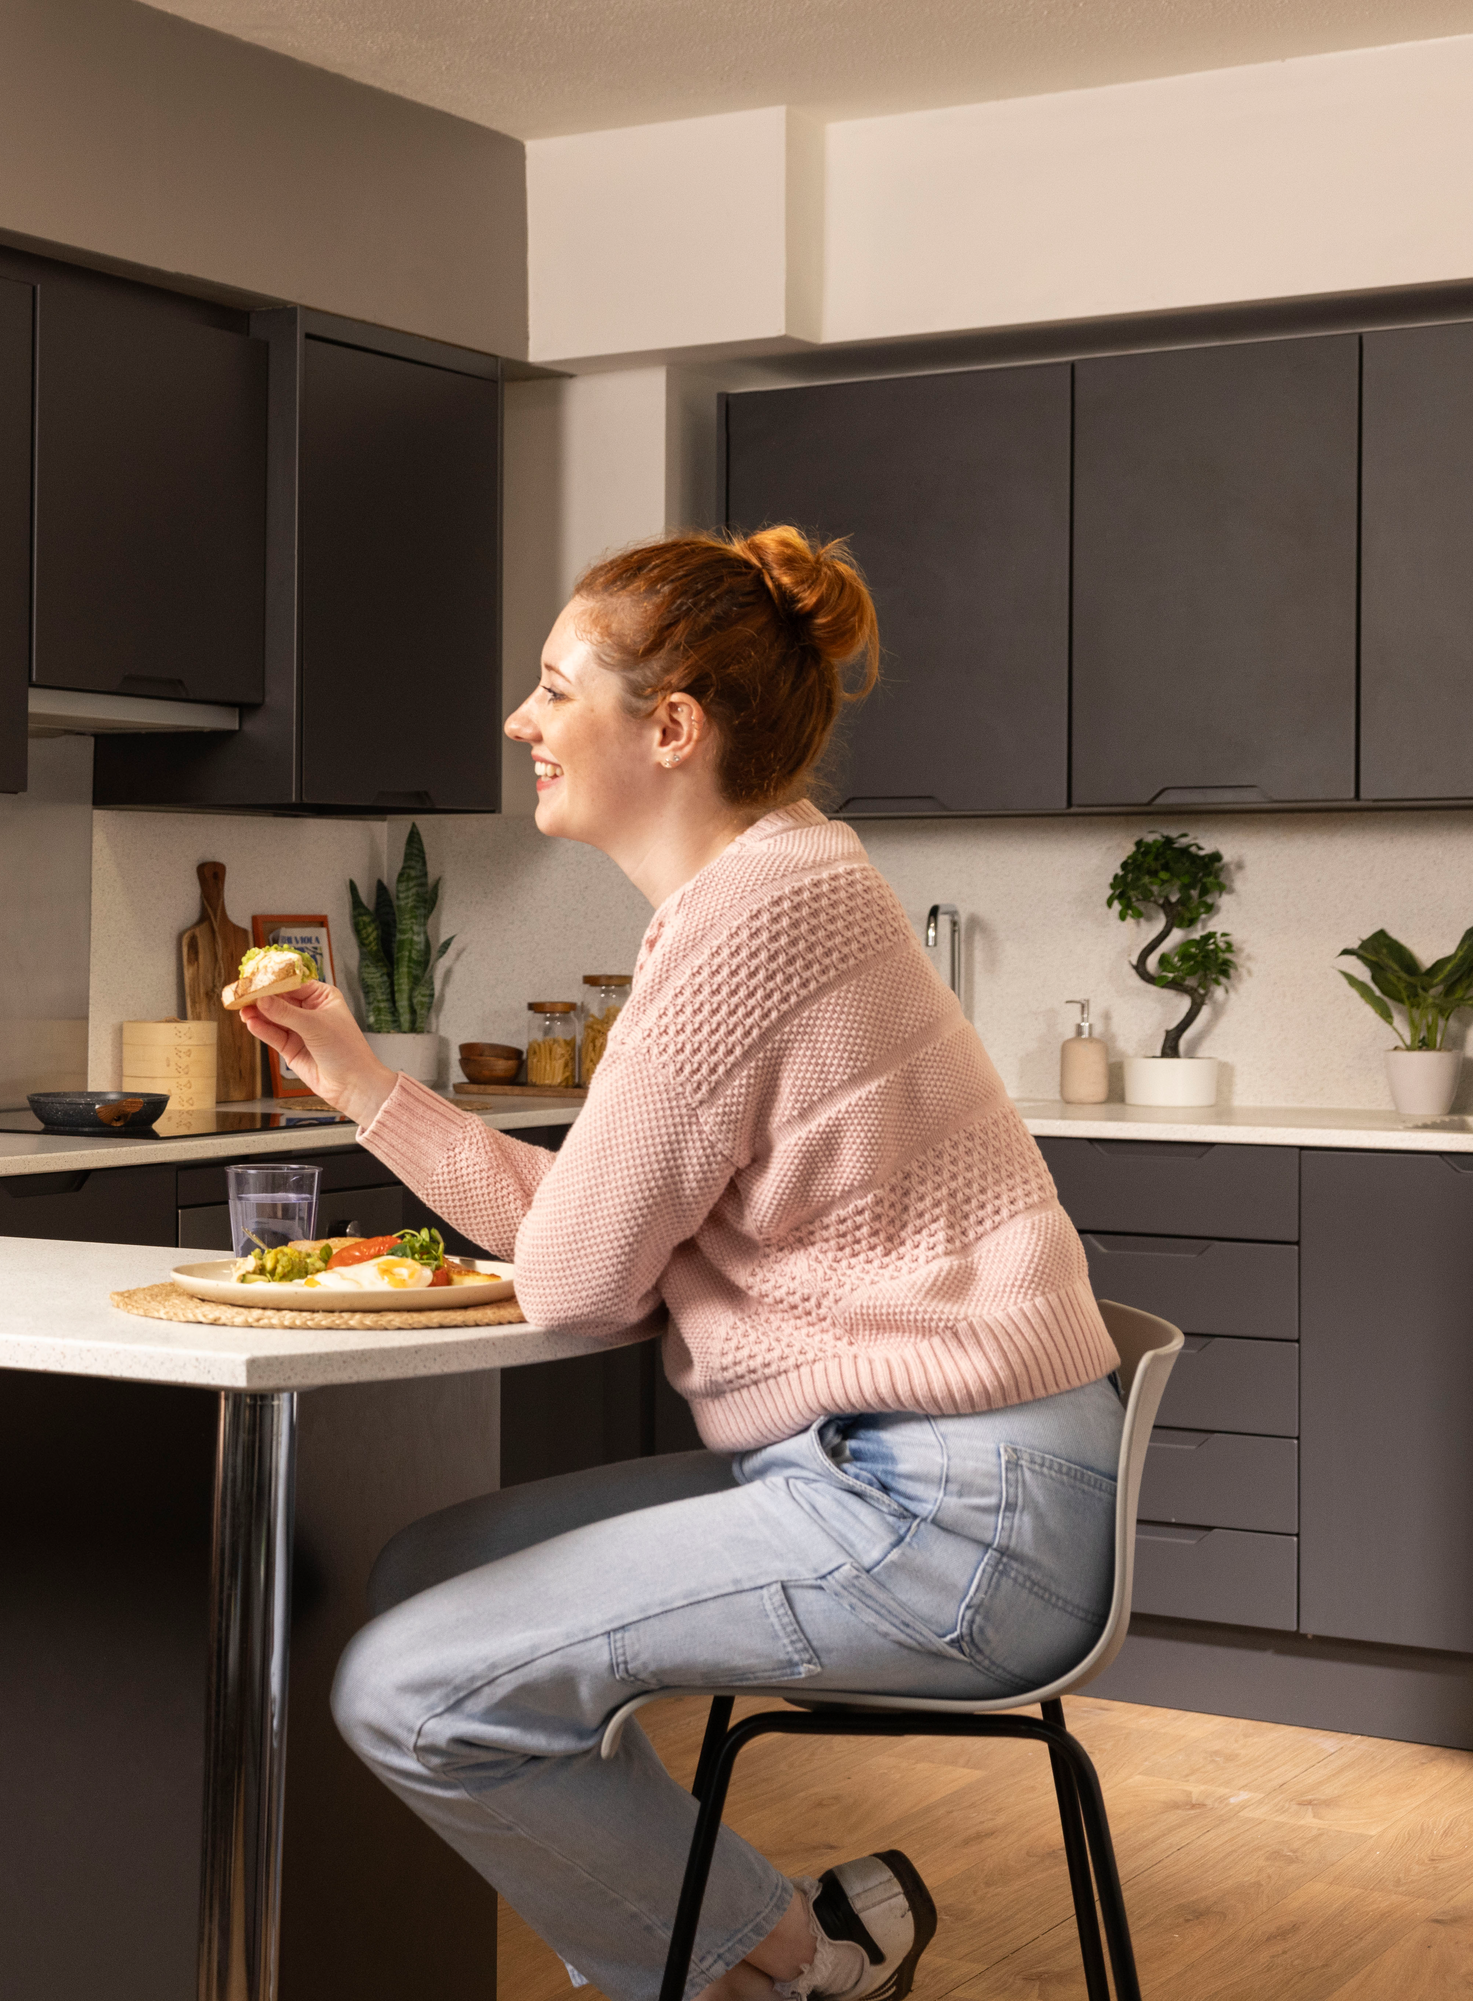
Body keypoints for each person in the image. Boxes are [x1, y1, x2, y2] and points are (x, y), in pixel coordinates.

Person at [243, 529, 1125, 2001]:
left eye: (550, 687)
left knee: (407, 1683)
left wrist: (424, 1132)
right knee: (422, 1580)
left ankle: (788, 1961)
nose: (520, 723)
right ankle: (767, 1944)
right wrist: (358, 1084)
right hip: (909, 1473)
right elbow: (600, 1227)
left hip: (952, 1520)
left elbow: (586, 1276)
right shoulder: (765, 891)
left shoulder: (748, 920)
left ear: (670, 727)